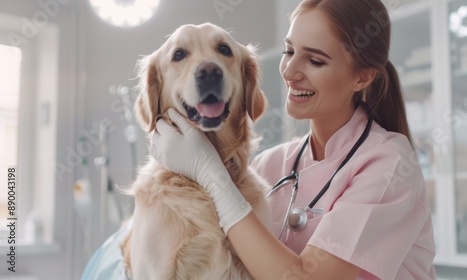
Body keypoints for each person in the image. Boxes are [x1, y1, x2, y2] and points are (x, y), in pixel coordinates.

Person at [82, 0, 436, 279]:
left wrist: (213, 176)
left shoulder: (389, 163)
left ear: (362, 77)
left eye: (315, 60)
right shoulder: (271, 165)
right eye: (289, 51)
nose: (290, 71)